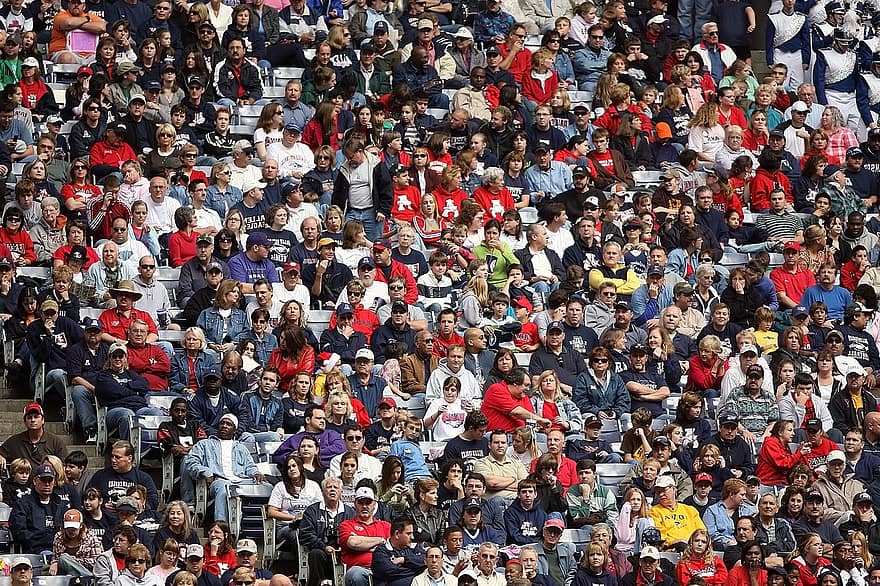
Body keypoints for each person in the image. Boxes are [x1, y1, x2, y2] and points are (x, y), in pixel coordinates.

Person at [181, 413, 265, 522]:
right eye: (222, 423)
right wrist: (205, 471)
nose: (224, 426)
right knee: (225, 488)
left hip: (241, 480)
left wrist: (256, 473)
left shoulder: (241, 448)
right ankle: (221, 525)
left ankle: (255, 525)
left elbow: (250, 466)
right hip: (218, 481)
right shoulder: (205, 444)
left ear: (234, 430)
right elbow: (191, 462)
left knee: (266, 486)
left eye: (228, 424)